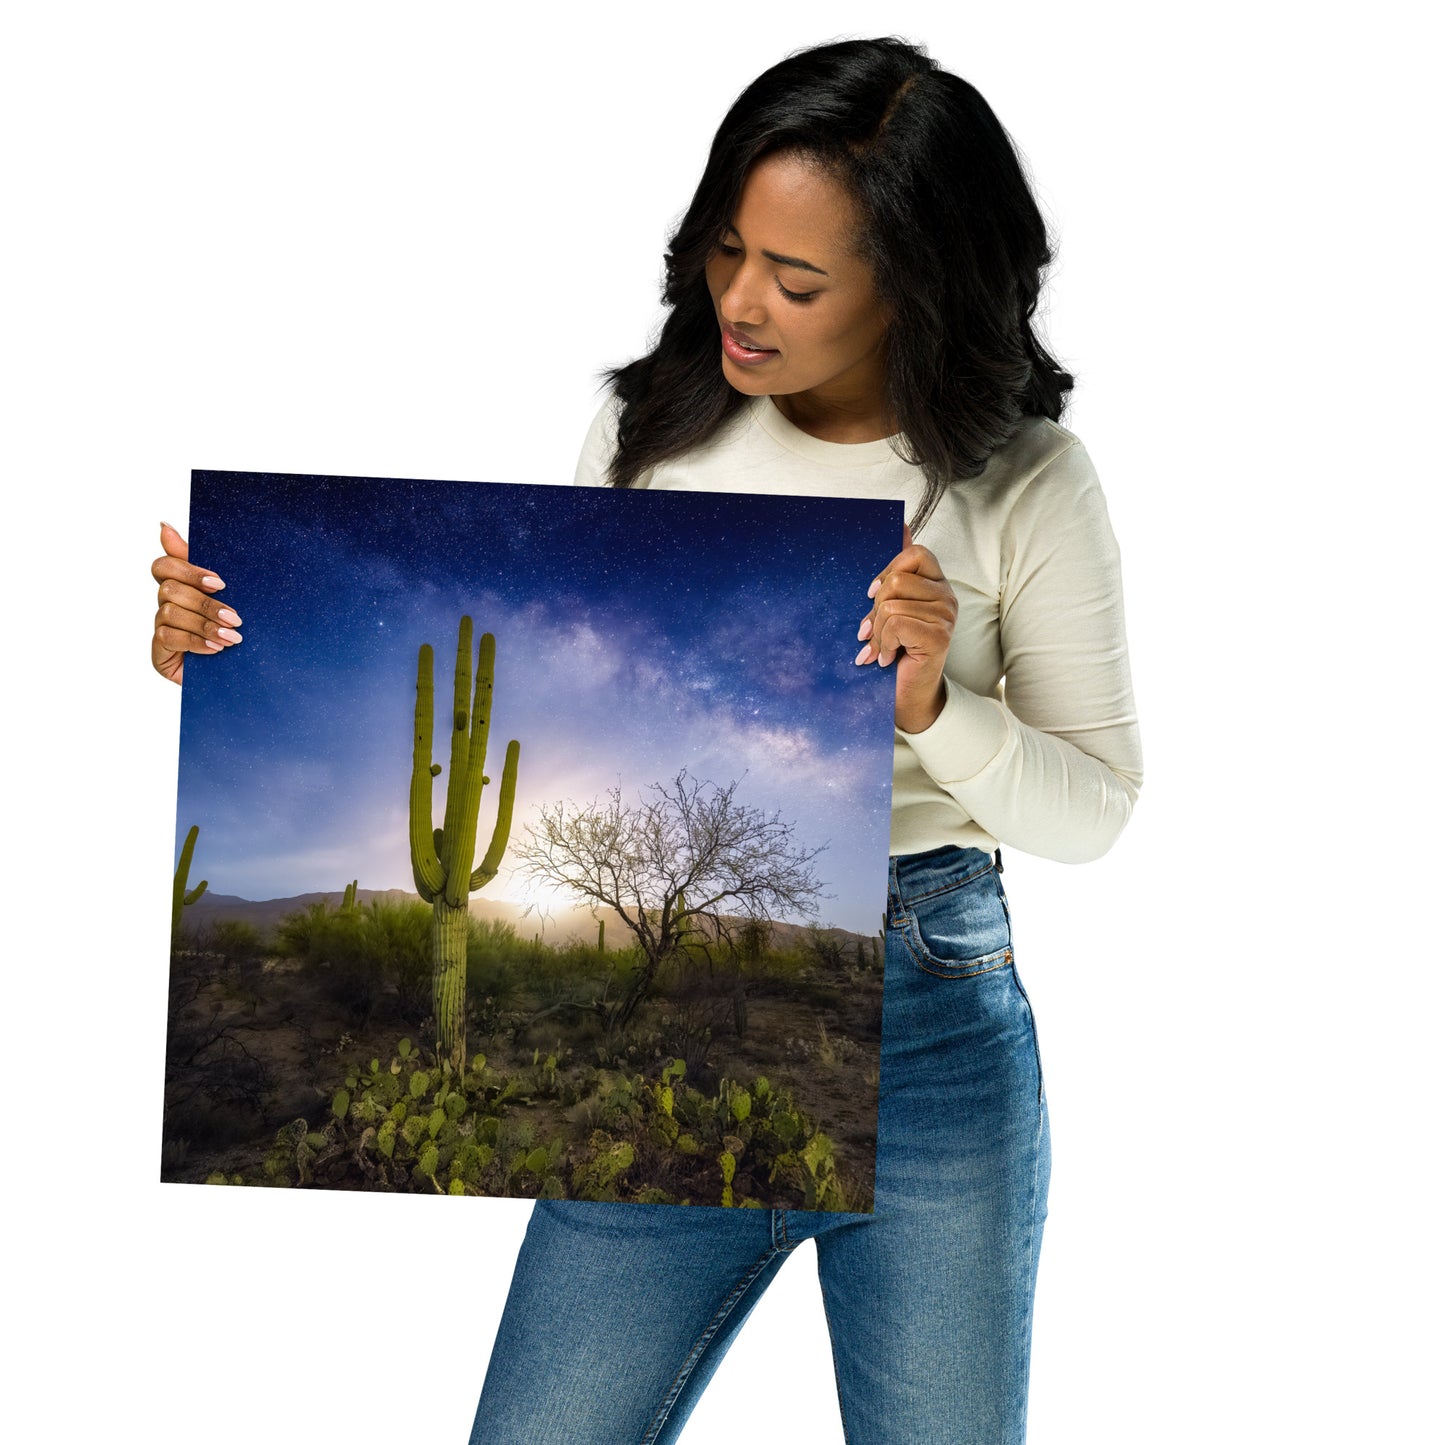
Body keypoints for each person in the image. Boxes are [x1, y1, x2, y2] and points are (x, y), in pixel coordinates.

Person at [151, 36, 1142, 1444]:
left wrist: (933, 707)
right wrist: (225, 645)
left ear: (914, 287)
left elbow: (1095, 809)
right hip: (671, 1004)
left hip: (931, 1023)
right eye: (725, 250)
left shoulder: (1029, 478)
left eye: (796, 280)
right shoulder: (645, 424)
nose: (740, 301)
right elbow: (555, 704)